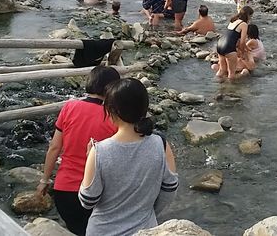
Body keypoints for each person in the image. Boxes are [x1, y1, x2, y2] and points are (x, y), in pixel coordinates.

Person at [79, 78, 178, 236]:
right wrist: (148, 212)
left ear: (112, 110)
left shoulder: (99, 151)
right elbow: (170, 189)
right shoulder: (161, 143)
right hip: (146, 228)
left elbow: (87, 201)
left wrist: (89, 162)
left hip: (102, 231)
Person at [37, 67, 120, 236]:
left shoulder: (69, 107)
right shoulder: (114, 117)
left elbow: (54, 147)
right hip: (96, 195)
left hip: (64, 192)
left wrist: (44, 180)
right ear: (112, 88)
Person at [215, 6, 253, 81]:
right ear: (248, 16)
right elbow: (242, 42)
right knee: (231, 74)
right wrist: (242, 54)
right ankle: (231, 91)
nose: (251, 18)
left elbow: (234, 37)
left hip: (220, 44)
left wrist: (246, 48)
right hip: (229, 47)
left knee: (222, 70)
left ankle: (216, 85)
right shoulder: (244, 25)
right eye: (251, 16)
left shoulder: (233, 21)